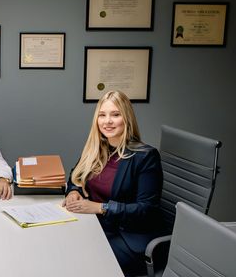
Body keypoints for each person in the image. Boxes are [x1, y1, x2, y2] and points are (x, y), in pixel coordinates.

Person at [62, 90, 164, 276]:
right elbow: (75, 176)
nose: (107, 121)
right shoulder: (97, 148)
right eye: (102, 115)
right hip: (97, 227)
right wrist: (73, 191)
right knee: (60, 249)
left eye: (115, 115)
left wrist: (101, 207)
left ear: (127, 118)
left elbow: (147, 210)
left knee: (78, 264)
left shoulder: (145, 156)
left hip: (128, 237)